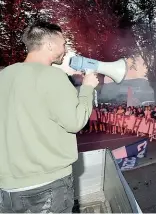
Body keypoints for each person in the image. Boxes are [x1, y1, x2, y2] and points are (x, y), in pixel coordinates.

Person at [0, 21, 99, 213]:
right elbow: (75, 122)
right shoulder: (52, 76)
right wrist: (87, 88)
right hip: (47, 185)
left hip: (7, 187)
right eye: (63, 44)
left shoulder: (4, 76)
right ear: (50, 45)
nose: (65, 49)